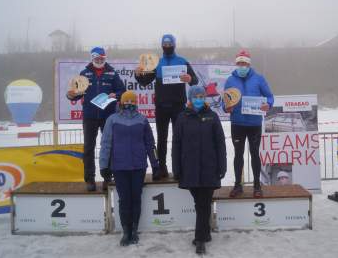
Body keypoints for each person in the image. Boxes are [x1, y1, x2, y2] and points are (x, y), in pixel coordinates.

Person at [99, 90, 160, 246]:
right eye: (127, 101)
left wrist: (155, 164)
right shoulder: (112, 119)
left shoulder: (143, 120)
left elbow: (150, 145)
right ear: (121, 102)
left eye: (133, 101)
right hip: (119, 167)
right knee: (124, 200)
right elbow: (106, 143)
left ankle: (134, 229)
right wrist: (104, 165)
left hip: (138, 166)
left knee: (136, 199)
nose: (130, 104)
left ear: (137, 103)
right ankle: (126, 231)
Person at [172, 85, 226, 255]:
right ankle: (206, 233)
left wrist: (222, 165)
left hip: (209, 168)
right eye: (196, 96)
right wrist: (177, 168)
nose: (199, 99)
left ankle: (200, 239)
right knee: (201, 203)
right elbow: (176, 145)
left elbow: (220, 143)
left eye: (202, 96)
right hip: (190, 169)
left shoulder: (213, 116)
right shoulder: (182, 118)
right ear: (190, 98)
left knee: (203, 204)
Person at [135, 34, 198, 178]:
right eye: (165, 44)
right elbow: (144, 81)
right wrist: (138, 74)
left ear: (174, 45)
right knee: (161, 138)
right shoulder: (157, 63)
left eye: (170, 44)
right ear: (162, 45)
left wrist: (189, 79)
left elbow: (194, 80)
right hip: (161, 106)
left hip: (178, 107)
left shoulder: (182, 61)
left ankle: (179, 169)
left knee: (179, 138)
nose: (168, 47)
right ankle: (161, 168)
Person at [66, 47, 125, 192]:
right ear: (92, 58)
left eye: (102, 59)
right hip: (90, 116)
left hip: (108, 115)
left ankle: (107, 178)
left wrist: (115, 95)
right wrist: (71, 95)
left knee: (108, 146)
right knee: (88, 148)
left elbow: (122, 90)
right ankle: (90, 179)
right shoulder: (84, 73)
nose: (99, 61)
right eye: (97, 59)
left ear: (105, 58)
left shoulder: (112, 72)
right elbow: (77, 94)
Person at [223, 50, 274, 198]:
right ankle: (238, 185)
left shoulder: (259, 79)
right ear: (236, 64)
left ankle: (257, 186)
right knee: (238, 155)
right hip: (237, 123)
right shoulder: (230, 81)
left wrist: (268, 105)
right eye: (239, 63)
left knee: (254, 154)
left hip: (254, 124)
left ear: (249, 64)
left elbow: (269, 96)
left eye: (244, 63)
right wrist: (227, 107)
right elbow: (224, 102)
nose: (242, 66)